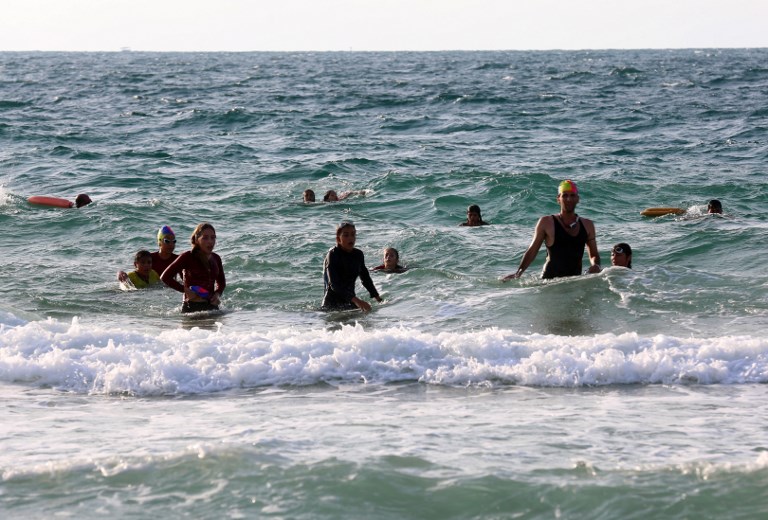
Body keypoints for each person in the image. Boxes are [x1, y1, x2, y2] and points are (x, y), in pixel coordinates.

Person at [503, 179, 601, 280]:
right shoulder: (546, 222)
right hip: (548, 281)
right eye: (565, 195)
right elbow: (532, 251)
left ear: (577, 199)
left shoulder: (587, 225)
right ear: (558, 199)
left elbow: (594, 254)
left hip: (574, 281)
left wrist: (596, 265)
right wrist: (518, 273)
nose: (568, 199)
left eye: (572, 195)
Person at [161, 222, 226, 313]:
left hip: (212, 307)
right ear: (196, 240)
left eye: (213, 237)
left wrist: (217, 294)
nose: (210, 241)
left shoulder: (216, 258)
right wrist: (185, 290)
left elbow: (221, 282)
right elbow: (165, 277)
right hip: (191, 307)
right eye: (205, 238)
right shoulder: (188, 257)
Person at [322, 221, 383, 312]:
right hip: (331, 307)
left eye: (353, 234)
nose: (351, 238)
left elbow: (365, 278)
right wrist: (357, 301)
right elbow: (334, 285)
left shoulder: (358, 254)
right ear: (338, 239)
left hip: (350, 304)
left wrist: (378, 298)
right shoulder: (333, 255)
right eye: (346, 235)